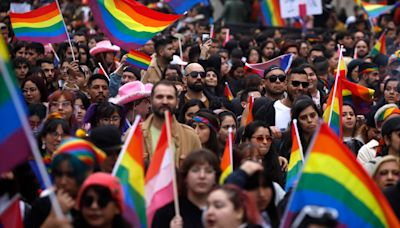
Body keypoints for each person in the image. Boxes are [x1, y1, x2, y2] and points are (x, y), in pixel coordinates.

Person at [27, 137, 106, 227]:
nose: (63, 181)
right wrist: (52, 219)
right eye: (59, 174)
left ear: (88, 173)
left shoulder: (98, 205)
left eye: (71, 175)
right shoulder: (43, 205)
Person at [152, 149, 220, 228]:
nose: (202, 176)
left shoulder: (224, 211)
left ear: (215, 177)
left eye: (208, 171)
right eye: (195, 170)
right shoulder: (168, 213)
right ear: (185, 177)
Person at [142, 80, 201, 166]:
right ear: (151, 100)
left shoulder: (191, 136)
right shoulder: (134, 134)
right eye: (159, 97)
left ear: (177, 103)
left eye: (169, 97)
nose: (165, 101)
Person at [241, 121, 285, 186]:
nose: (265, 142)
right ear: (247, 140)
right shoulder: (237, 161)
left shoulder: (280, 164)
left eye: (268, 138)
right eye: (260, 138)